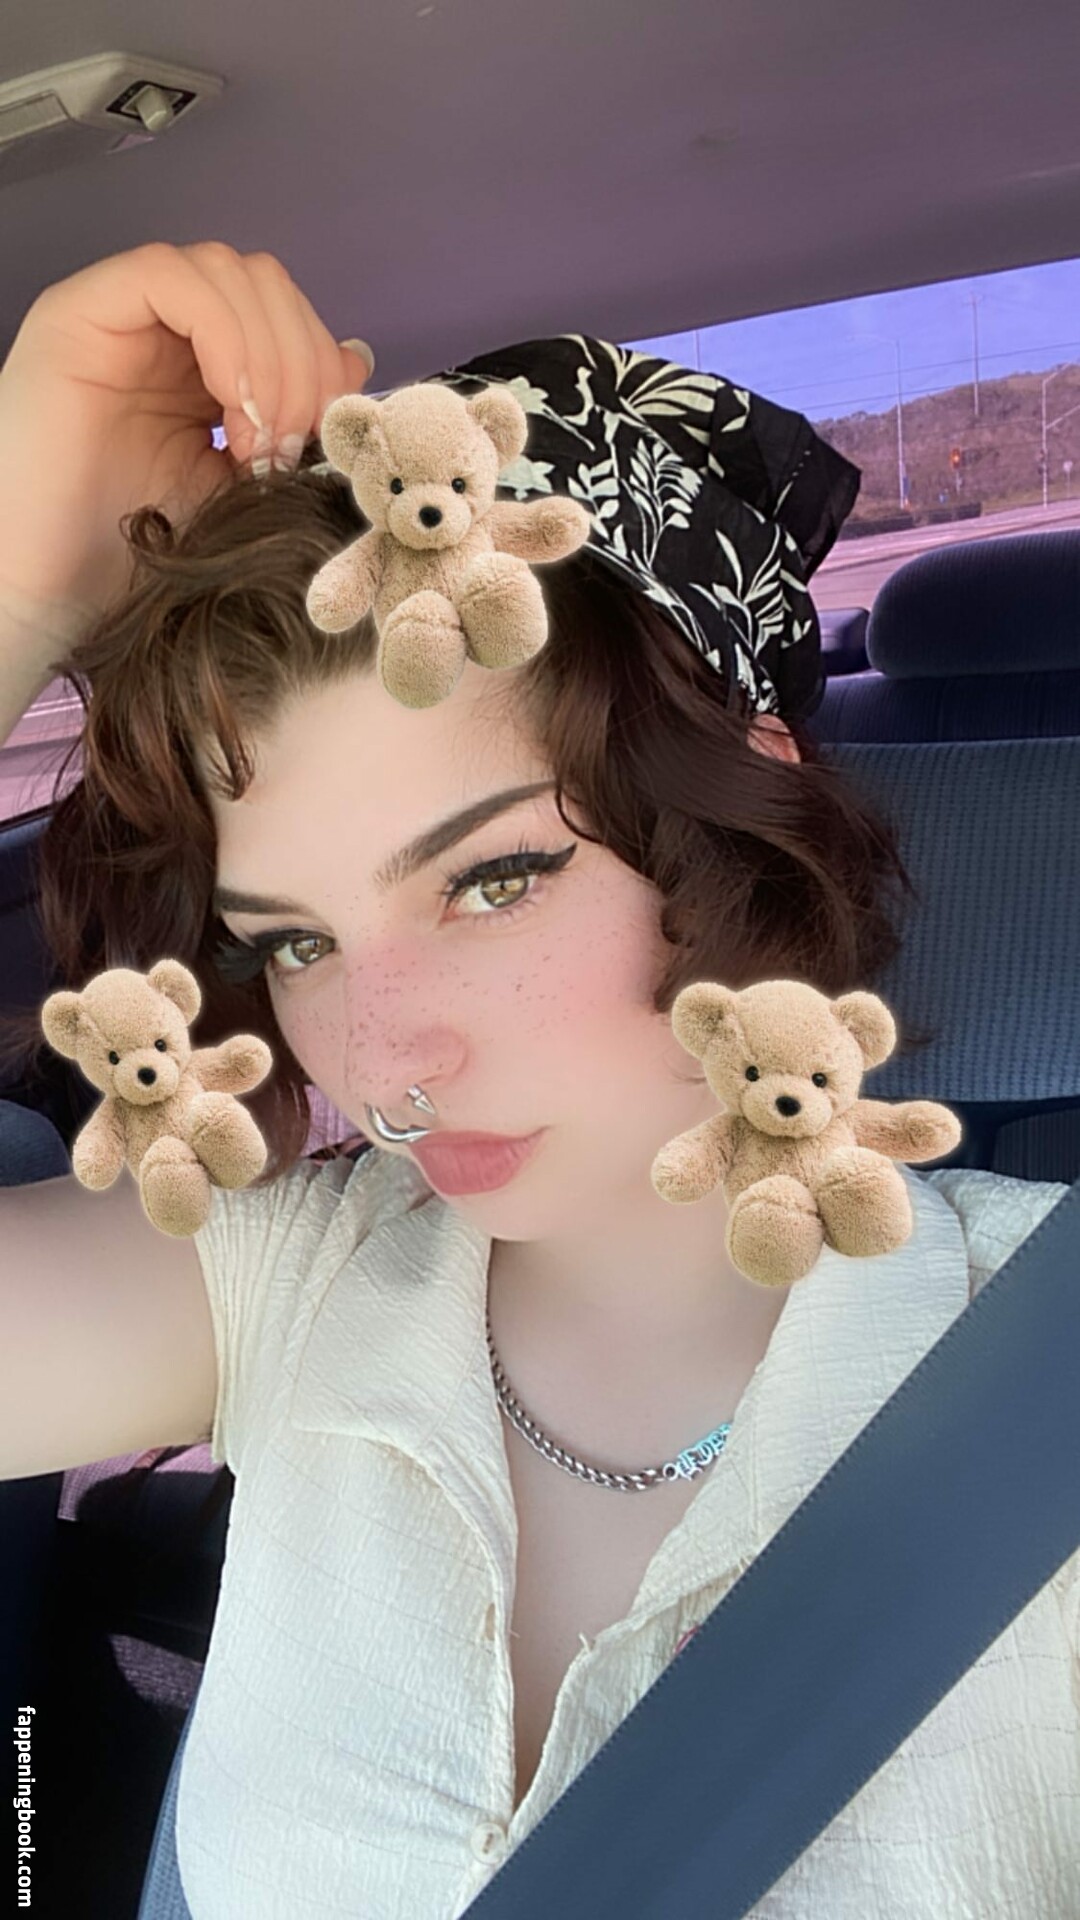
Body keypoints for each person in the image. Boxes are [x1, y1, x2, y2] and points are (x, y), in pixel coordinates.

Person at [0, 243, 1076, 1920]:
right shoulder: (281, 1282)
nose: (381, 1058)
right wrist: (15, 591)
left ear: (724, 825)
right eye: (296, 942)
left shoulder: (1038, 1369)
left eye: (493, 881)